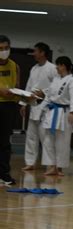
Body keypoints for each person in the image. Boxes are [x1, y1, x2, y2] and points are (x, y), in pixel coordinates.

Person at [37, 56, 73, 176]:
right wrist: (41, 109)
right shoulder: (56, 80)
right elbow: (48, 97)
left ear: (64, 66)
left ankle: (60, 167)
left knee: (63, 141)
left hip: (64, 113)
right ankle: (51, 166)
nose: (56, 67)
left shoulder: (72, 81)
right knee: (48, 140)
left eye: (59, 65)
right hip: (51, 112)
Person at [20, 42, 57, 171]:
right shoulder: (34, 68)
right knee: (31, 136)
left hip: (46, 107)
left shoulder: (52, 68)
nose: (34, 54)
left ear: (42, 53)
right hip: (33, 105)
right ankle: (30, 162)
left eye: (36, 51)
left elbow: (57, 86)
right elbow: (29, 87)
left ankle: (51, 164)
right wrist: (23, 103)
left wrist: (44, 92)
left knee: (46, 137)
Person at [0, 35, 20, 185]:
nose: (4, 51)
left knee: (5, 142)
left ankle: (4, 174)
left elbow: (17, 85)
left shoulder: (14, 65)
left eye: (6, 48)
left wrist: (25, 96)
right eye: (0, 49)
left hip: (9, 106)